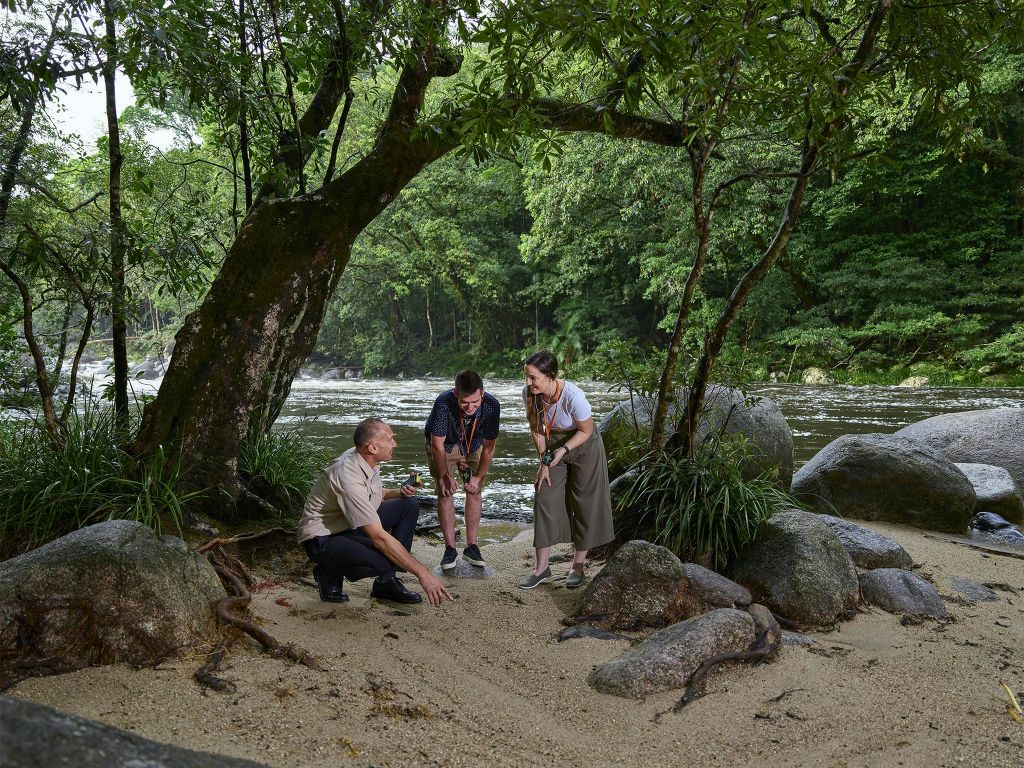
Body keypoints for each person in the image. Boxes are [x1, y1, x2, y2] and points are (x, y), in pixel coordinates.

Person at [297, 418, 454, 607]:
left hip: (348, 525)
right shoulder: (347, 475)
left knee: (408, 505)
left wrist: (400, 491)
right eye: (390, 439)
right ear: (372, 448)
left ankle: (385, 583)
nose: (395, 444)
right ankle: (328, 572)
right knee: (386, 559)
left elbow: (375, 495)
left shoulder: (366, 458)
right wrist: (423, 574)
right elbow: (379, 538)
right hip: (322, 538)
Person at [519, 350, 614, 589]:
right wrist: (544, 462)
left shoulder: (573, 396)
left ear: (550, 375)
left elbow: (586, 430)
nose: (528, 382)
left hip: (583, 443)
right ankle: (541, 568)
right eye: (526, 377)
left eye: (533, 378)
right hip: (552, 444)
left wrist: (564, 449)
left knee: (584, 501)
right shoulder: (529, 393)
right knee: (544, 494)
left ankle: (577, 566)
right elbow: (536, 429)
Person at [424, 370, 501, 571]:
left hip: (472, 445)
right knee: (445, 491)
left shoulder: (492, 405)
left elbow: (489, 448)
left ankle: (472, 547)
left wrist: (478, 477)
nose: (470, 407)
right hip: (445, 446)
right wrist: (444, 476)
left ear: (482, 393)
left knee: (475, 489)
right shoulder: (443, 402)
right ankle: (450, 549)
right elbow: (437, 445)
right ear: (456, 393)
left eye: (475, 402)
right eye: (465, 402)